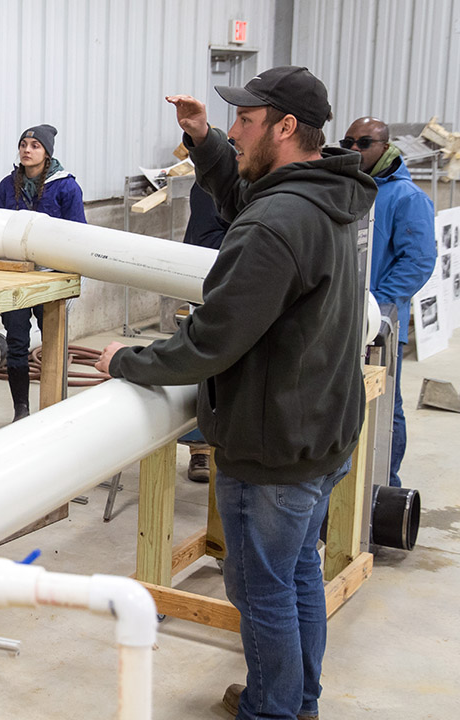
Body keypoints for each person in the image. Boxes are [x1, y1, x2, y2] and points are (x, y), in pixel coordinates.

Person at [95, 67, 375, 720]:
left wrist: (126, 360)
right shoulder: (326, 190)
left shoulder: (275, 224)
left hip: (275, 444)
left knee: (263, 590)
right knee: (298, 573)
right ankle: (297, 700)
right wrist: (203, 139)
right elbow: (251, 194)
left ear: (283, 128)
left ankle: (273, 710)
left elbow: (211, 341)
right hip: (324, 429)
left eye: (245, 122)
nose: (234, 130)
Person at [341, 116, 436, 488]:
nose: (353, 149)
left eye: (363, 143)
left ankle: (385, 488)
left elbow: (418, 261)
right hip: (346, 319)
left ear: (385, 147)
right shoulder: (350, 187)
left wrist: (378, 308)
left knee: (385, 405)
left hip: (381, 323)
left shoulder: (406, 198)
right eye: (349, 141)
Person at [0, 124, 86, 420]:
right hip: (17, 276)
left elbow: (77, 235)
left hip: (51, 279)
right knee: (17, 343)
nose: (27, 150)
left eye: (34, 146)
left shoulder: (66, 186)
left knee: (54, 343)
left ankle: (55, 408)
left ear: (46, 153)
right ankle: (21, 409)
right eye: (23, 144)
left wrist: (69, 277)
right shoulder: (8, 185)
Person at [179, 182, 231, 482]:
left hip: (231, 284)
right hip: (208, 281)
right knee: (207, 369)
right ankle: (200, 449)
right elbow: (204, 239)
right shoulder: (211, 182)